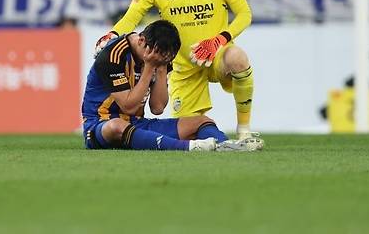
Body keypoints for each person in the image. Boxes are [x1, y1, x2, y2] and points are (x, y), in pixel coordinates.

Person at [94, 0, 262, 147]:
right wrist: (112, 34)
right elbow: (132, 17)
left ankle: (244, 131)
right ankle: (220, 146)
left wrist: (219, 41)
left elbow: (245, 14)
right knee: (191, 130)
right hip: (182, 66)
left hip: (216, 53)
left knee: (238, 58)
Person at [83, 19, 253, 151]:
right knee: (117, 126)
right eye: (156, 57)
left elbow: (157, 107)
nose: (158, 60)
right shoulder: (113, 55)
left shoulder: (162, 56)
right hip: (100, 124)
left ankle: (224, 145)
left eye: (165, 59)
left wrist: (162, 68)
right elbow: (128, 106)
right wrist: (149, 67)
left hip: (136, 123)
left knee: (202, 121)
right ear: (141, 41)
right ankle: (188, 147)